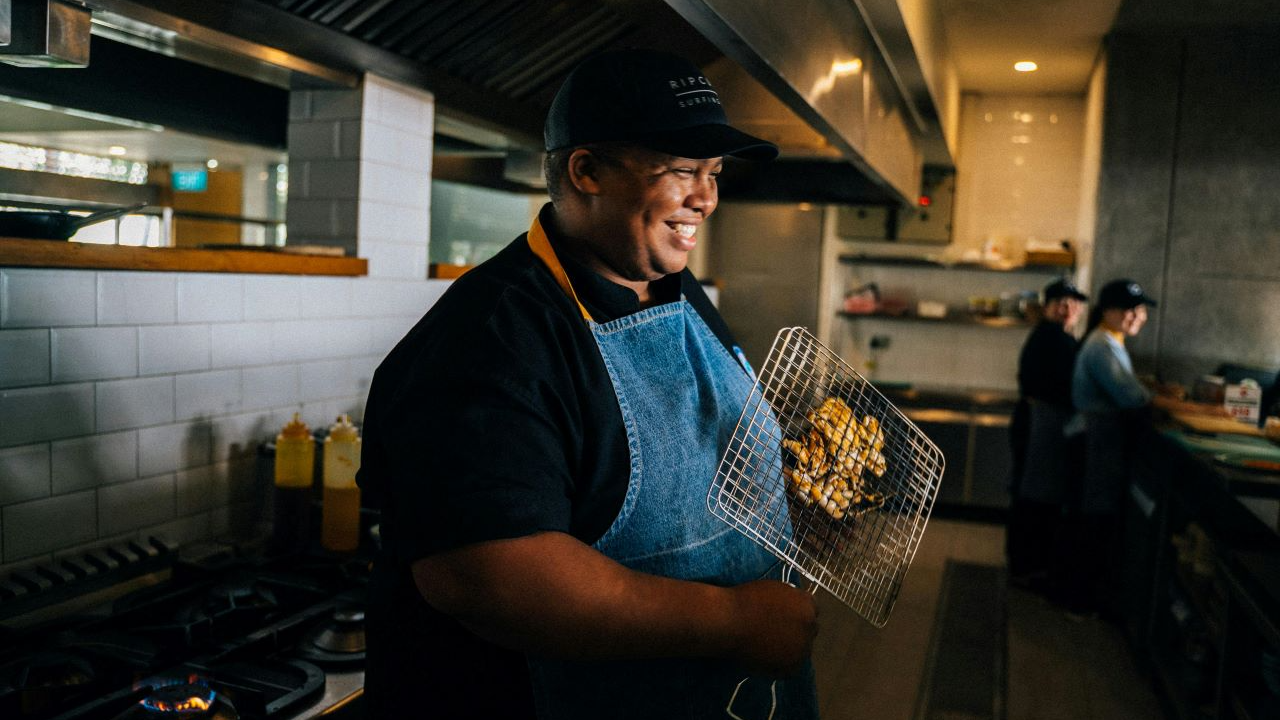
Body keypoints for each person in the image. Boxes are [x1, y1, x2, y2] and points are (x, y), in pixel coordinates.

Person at [357, 49, 820, 719]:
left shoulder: (673, 289)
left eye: (714, 173)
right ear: (587, 171)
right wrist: (734, 620)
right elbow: (488, 578)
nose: (706, 198)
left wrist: (788, 495)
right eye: (682, 170)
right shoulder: (491, 336)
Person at [1063, 278, 1158, 616]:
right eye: (1130, 310)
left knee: (1093, 517)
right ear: (1108, 311)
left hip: (1099, 441)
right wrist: (1161, 400)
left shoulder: (1110, 342)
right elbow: (1131, 397)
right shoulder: (1101, 346)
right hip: (1094, 441)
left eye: (1141, 310)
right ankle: (1081, 599)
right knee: (1093, 519)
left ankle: (1084, 596)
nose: (1138, 316)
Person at [1007, 278, 1087, 588]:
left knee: (1030, 493)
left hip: (1039, 422)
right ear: (1047, 307)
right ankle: (1026, 567)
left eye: (1072, 304)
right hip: (1038, 424)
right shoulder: (1052, 337)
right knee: (1034, 496)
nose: (1066, 309)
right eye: (1059, 303)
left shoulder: (1056, 335)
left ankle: (1025, 565)